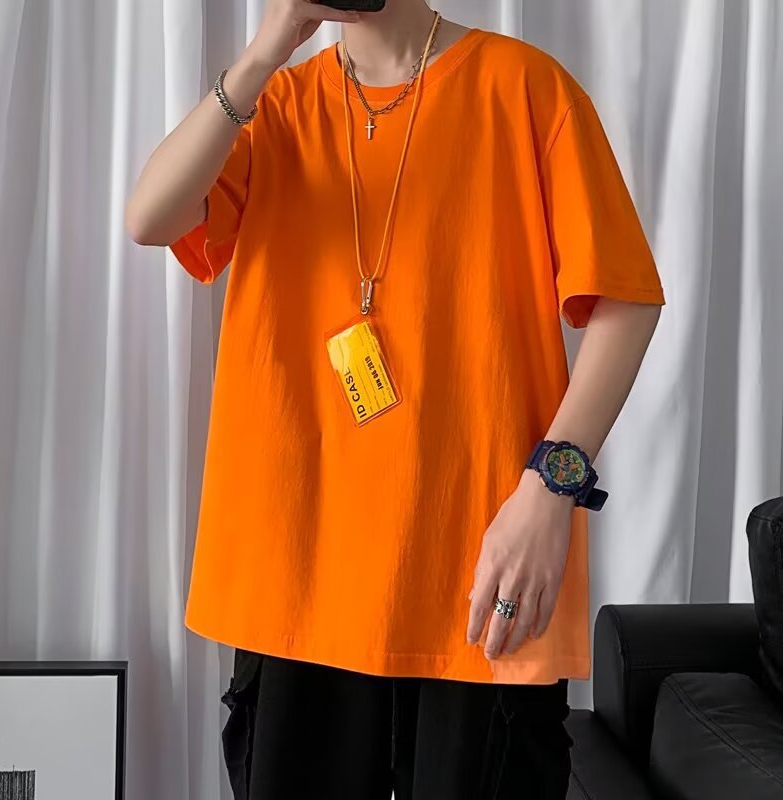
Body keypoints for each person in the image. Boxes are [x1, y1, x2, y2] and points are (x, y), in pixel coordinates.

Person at [126, 0, 665, 797]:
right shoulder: (272, 105)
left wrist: (551, 491)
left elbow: (628, 301)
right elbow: (151, 217)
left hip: (477, 576)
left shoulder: (524, 89)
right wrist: (267, 48)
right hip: (298, 577)